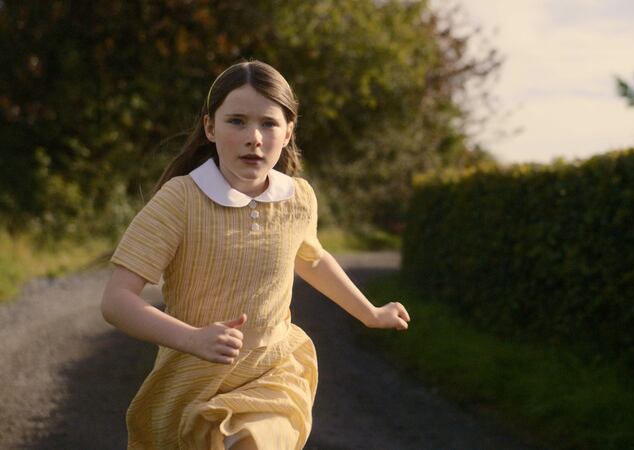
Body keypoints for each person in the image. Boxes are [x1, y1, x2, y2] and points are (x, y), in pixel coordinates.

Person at [101, 59, 411, 450]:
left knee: (252, 441)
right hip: (191, 381)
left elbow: (311, 258)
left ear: (288, 131)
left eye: (268, 123)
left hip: (274, 373)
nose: (254, 137)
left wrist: (371, 312)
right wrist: (195, 339)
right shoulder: (180, 200)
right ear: (209, 127)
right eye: (236, 122)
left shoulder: (299, 197)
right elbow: (116, 301)